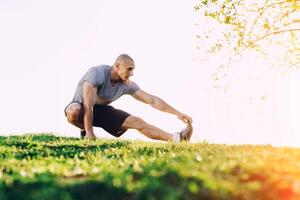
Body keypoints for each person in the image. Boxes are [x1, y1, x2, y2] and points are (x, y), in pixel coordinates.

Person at [64, 54, 193, 142]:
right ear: (117, 66)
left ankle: (177, 139)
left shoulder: (127, 85)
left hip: (101, 110)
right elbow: (88, 103)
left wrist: (178, 113)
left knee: (137, 122)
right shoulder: (97, 73)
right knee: (74, 112)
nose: (131, 73)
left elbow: (153, 100)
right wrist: (89, 131)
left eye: (132, 70)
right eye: (129, 69)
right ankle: (84, 131)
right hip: (82, 106)